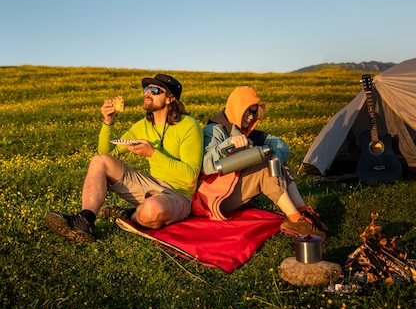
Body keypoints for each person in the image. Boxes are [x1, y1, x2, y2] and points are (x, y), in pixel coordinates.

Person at [45, 73, 203, 243]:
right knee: (100, 161)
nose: (147, 93)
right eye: (146, 89)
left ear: (170, 99)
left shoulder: (188, 126)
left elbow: (190, 175)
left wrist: (153, 154)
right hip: (150, 185)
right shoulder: (143, 126)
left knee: (152, 209)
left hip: (178, 195)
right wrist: (108, 122)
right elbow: (108, 153)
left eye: (155, 90)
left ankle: (128, 215)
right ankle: (85, 220)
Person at [192, 86, 327, 238]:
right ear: (237, 107)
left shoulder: (249, 133)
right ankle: (294, 220)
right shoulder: (215, 130)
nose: (250, 117)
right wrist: (229, 144)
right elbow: (205, 165)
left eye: (254, 112)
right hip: (214, 198)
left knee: (276, 159)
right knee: (265, 167)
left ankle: (301, 210)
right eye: (247, 111)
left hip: (231, 188)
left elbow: (280, 143)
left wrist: (277, 157)